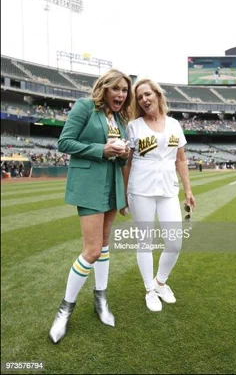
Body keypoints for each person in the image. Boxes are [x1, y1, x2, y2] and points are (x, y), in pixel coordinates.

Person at [50, 69, 133, 344]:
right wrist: (102, 150)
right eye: (117, 88)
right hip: (89, 185)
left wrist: (123, 153)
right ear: (105, 88)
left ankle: (101, 299)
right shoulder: (86, 107)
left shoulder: (120, 118)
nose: (121, 94)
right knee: (92, 250)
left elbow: (118, 159)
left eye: (125, 90)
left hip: (111, 185)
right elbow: (64, 142)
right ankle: (64, 310)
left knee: (104, 245)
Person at [123, 79, 195, 312]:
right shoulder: (134, 126)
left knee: (174, 242)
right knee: (145, 240)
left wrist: (189, 191)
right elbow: (127, 162)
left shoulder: (174, 124)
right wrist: (124, 194)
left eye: (147, 94)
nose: (144, 99)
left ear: (157, 95)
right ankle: (149, 290)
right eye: (140, 97)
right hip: (140, 189)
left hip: (168, 190)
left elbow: (181, 159)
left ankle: (160, 282)